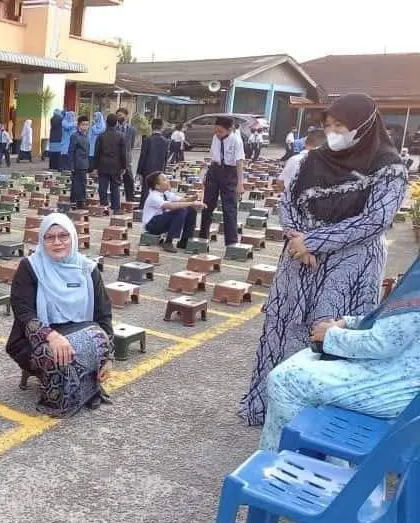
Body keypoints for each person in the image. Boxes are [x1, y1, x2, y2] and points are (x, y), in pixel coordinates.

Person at [240, 93, 407, 426]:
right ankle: (270, 406)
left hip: (349, 263)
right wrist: (297, 240)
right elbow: (286, 202)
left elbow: (375, 219)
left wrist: (313, 242)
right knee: (284, 327)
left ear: (363, 125)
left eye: (340, 125)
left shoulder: (389, 167)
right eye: (328, 125)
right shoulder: (311, 160)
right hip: (299, 260)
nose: (333, 132)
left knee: (331, 332)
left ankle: (317, 422)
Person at [259, 255, 420, 451]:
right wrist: (347, 323)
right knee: (306, 361)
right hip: (402, 375)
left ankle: (279, 462)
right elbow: (395, 324)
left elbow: (384, 342)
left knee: (284, 380)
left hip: (397, 388)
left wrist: (331, 336)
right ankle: (324, 455)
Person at [6, 214, 114, 417]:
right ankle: (60, 396)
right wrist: (52, 336)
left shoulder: (87, 269)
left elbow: (103, 314)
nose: (57, 242)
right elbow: (23, 311)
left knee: (96, 342)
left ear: (73, 237)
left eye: (63, 236)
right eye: (50, 237)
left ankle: (82, 383)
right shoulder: (31, 267)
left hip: (78, 332)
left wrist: (108, 357)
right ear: (41, 240)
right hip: (34, 339)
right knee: (55, 355)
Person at [198, 116, 245, 247]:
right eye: (216, 130)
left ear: (229, 129)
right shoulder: (215, 138)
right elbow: (213, 158)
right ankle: (202, 236)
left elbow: (239, 161)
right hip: (214, 171)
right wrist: (205, 175)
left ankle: (231, 242)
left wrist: (240, 183)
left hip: (230, 172)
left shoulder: (236, 140)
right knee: (207, 204)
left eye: (220, 131)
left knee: (229, 208)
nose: (217, 134)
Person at [142, 172, 205, 253]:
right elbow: (170, 206)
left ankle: (184, 241)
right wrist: (193, 203)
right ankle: (168, 241)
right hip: (152, 225)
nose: (168, 181)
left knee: (190, 210)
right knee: (180, 210)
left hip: (161, 220)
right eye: (164, 180)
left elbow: (183, 200)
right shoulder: (153, 196)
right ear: (157, 186)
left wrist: (195, 197)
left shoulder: (165, 193)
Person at [91, 113, 127, 215]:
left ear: (106, 123)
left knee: (102, 186)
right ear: (116, 123)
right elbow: (123, 154)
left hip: (103, 164)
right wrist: (124, 166)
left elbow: (96, 152)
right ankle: (116, 208)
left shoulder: (101, 136)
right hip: (116, 165)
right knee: (115, 187)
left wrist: (95, 167)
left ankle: (103, 206)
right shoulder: (121, 136)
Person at [136, 118, 170, 203]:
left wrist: (139, 171)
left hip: (147, 169)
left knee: (145, 190)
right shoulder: (166, 141)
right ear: (161, 127)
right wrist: (163, 171)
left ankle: (143, 207)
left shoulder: (147, 140)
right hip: (159, 170)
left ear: (151, 127)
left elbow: (143, 156)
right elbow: (166, 158)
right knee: (158, 190)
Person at [69, 115, 92, 209]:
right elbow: (71, 151)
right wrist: (71, 165)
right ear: (78, 125)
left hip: (84, 164)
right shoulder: (75, 136)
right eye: (83, 125)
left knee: (79, 183)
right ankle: (80, 202)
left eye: (87, 125)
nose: (85, 127)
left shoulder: (86, 136)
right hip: (78, 164)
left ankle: (75, 201)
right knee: (80, 184)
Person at [115, 108, 137, 200]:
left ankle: (130, 200)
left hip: (127, 159)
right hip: (116, 159)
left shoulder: (132, 130)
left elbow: (131, 145)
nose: (119, 117)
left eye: (121, 115)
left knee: (129, 180)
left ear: (126, 116)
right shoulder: (114, 129)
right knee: (115, 182)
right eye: (117, 115)